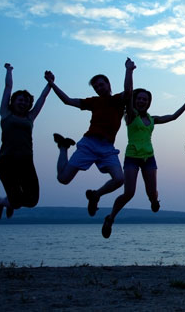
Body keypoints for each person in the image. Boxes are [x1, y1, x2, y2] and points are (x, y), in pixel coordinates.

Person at [101, 81, 185, 238]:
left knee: (152, 194)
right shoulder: (130, 115)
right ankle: (110, 218)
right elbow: (128, 91)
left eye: (145, 99)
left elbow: (172, 117)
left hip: (149, 158)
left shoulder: (152, 119)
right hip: (132, 157)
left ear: (149, 102)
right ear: (134, 100)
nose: (142, 101)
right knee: (129, 193)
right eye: (139, 98)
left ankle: (154, 200)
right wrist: (129, 71)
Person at [46, 58, 135, 216]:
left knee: (119, 179)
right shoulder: (94, 102)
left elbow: (128, 91)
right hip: (89, 143)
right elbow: (68, 101)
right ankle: (63, 147)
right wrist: (51, 83)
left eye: (101, 84)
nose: (99, 88)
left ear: (108, 84)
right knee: (63, 179)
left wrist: (128, 70)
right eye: (96, 87)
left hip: (107, 148)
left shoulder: (117, 100)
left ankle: (95, 195)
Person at [0, 64, 52, 219]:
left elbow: (42, 99)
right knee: (17, 201)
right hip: (7, 162)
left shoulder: (30, 117)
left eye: (26, 101)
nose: (23, 103)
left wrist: (50, 84)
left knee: (32, 200)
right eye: (20, 100)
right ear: (13, 102)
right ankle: (2, 202)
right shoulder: (6, 114)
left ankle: (7, 201)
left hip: (26, 163)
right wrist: (9, 71)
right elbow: (8, 87)